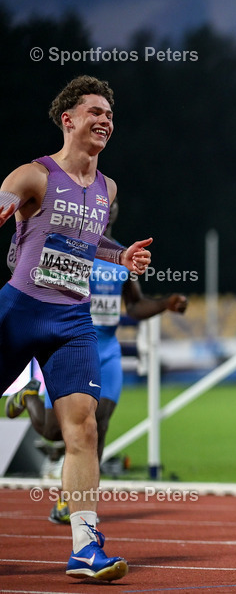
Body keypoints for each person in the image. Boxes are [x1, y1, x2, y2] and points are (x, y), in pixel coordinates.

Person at [0, 75, 153, 582]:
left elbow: (91, 243)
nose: (105, 120)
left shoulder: (107, 189)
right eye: (95, 111)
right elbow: (8, 193)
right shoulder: (35, 175)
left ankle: (85, 547)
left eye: (110, 114)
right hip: (19, 310)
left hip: (72, 320)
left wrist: (120, 254)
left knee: (83, 428)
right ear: (68, 120)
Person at [7, 198, 188, 524]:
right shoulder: (70, 246)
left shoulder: (121, 255)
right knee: (53, 430)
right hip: (70, 345)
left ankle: (73, 502)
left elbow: (134, 307)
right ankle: (29, 395)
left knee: (97, 425)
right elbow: (37, 282)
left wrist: (167, 303)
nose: (107, 208)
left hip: (106, 350)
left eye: (111, 205)